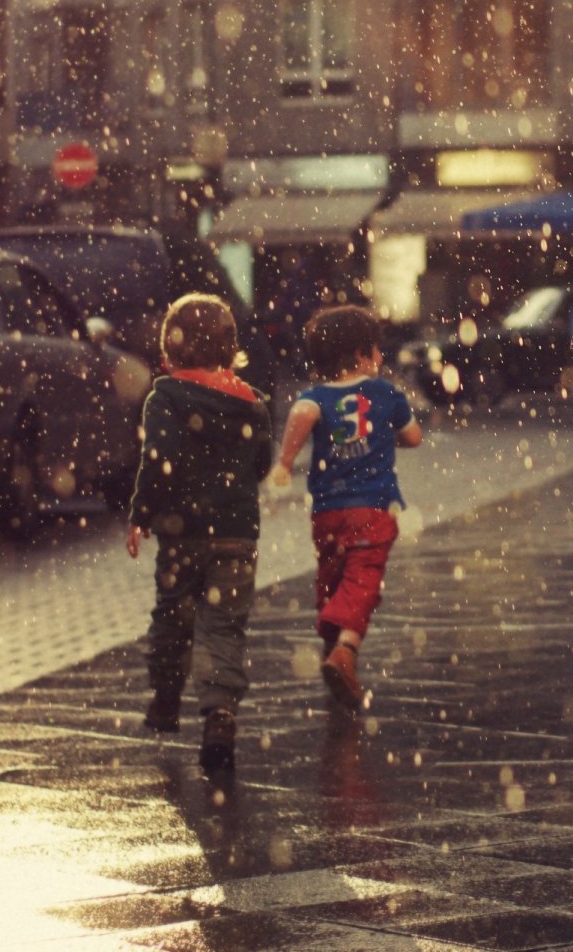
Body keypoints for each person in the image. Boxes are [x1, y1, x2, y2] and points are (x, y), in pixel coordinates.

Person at [124, 293, 273, 775]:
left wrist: (141, 514)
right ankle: (221, 714)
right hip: (236, 535)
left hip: (182, 533)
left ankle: (166, 699)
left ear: (170, 349)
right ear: (232, 350)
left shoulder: (164, 397)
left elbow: (157, 462)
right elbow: (262, 464)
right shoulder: (254, 404)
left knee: (173, 615)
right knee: (225, 624)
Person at [269, 305, 424, 711]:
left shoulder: (315, 396)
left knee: (332, 572)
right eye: (375, 351)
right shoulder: (386, 394)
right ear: (360, 355)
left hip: (327, 510)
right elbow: (414, 437)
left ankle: (330, 637)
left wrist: (285, 462)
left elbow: (303, 414)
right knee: (364, 578)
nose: (380, 359)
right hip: (373, 508)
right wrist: (394, 432)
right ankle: (344, 651)